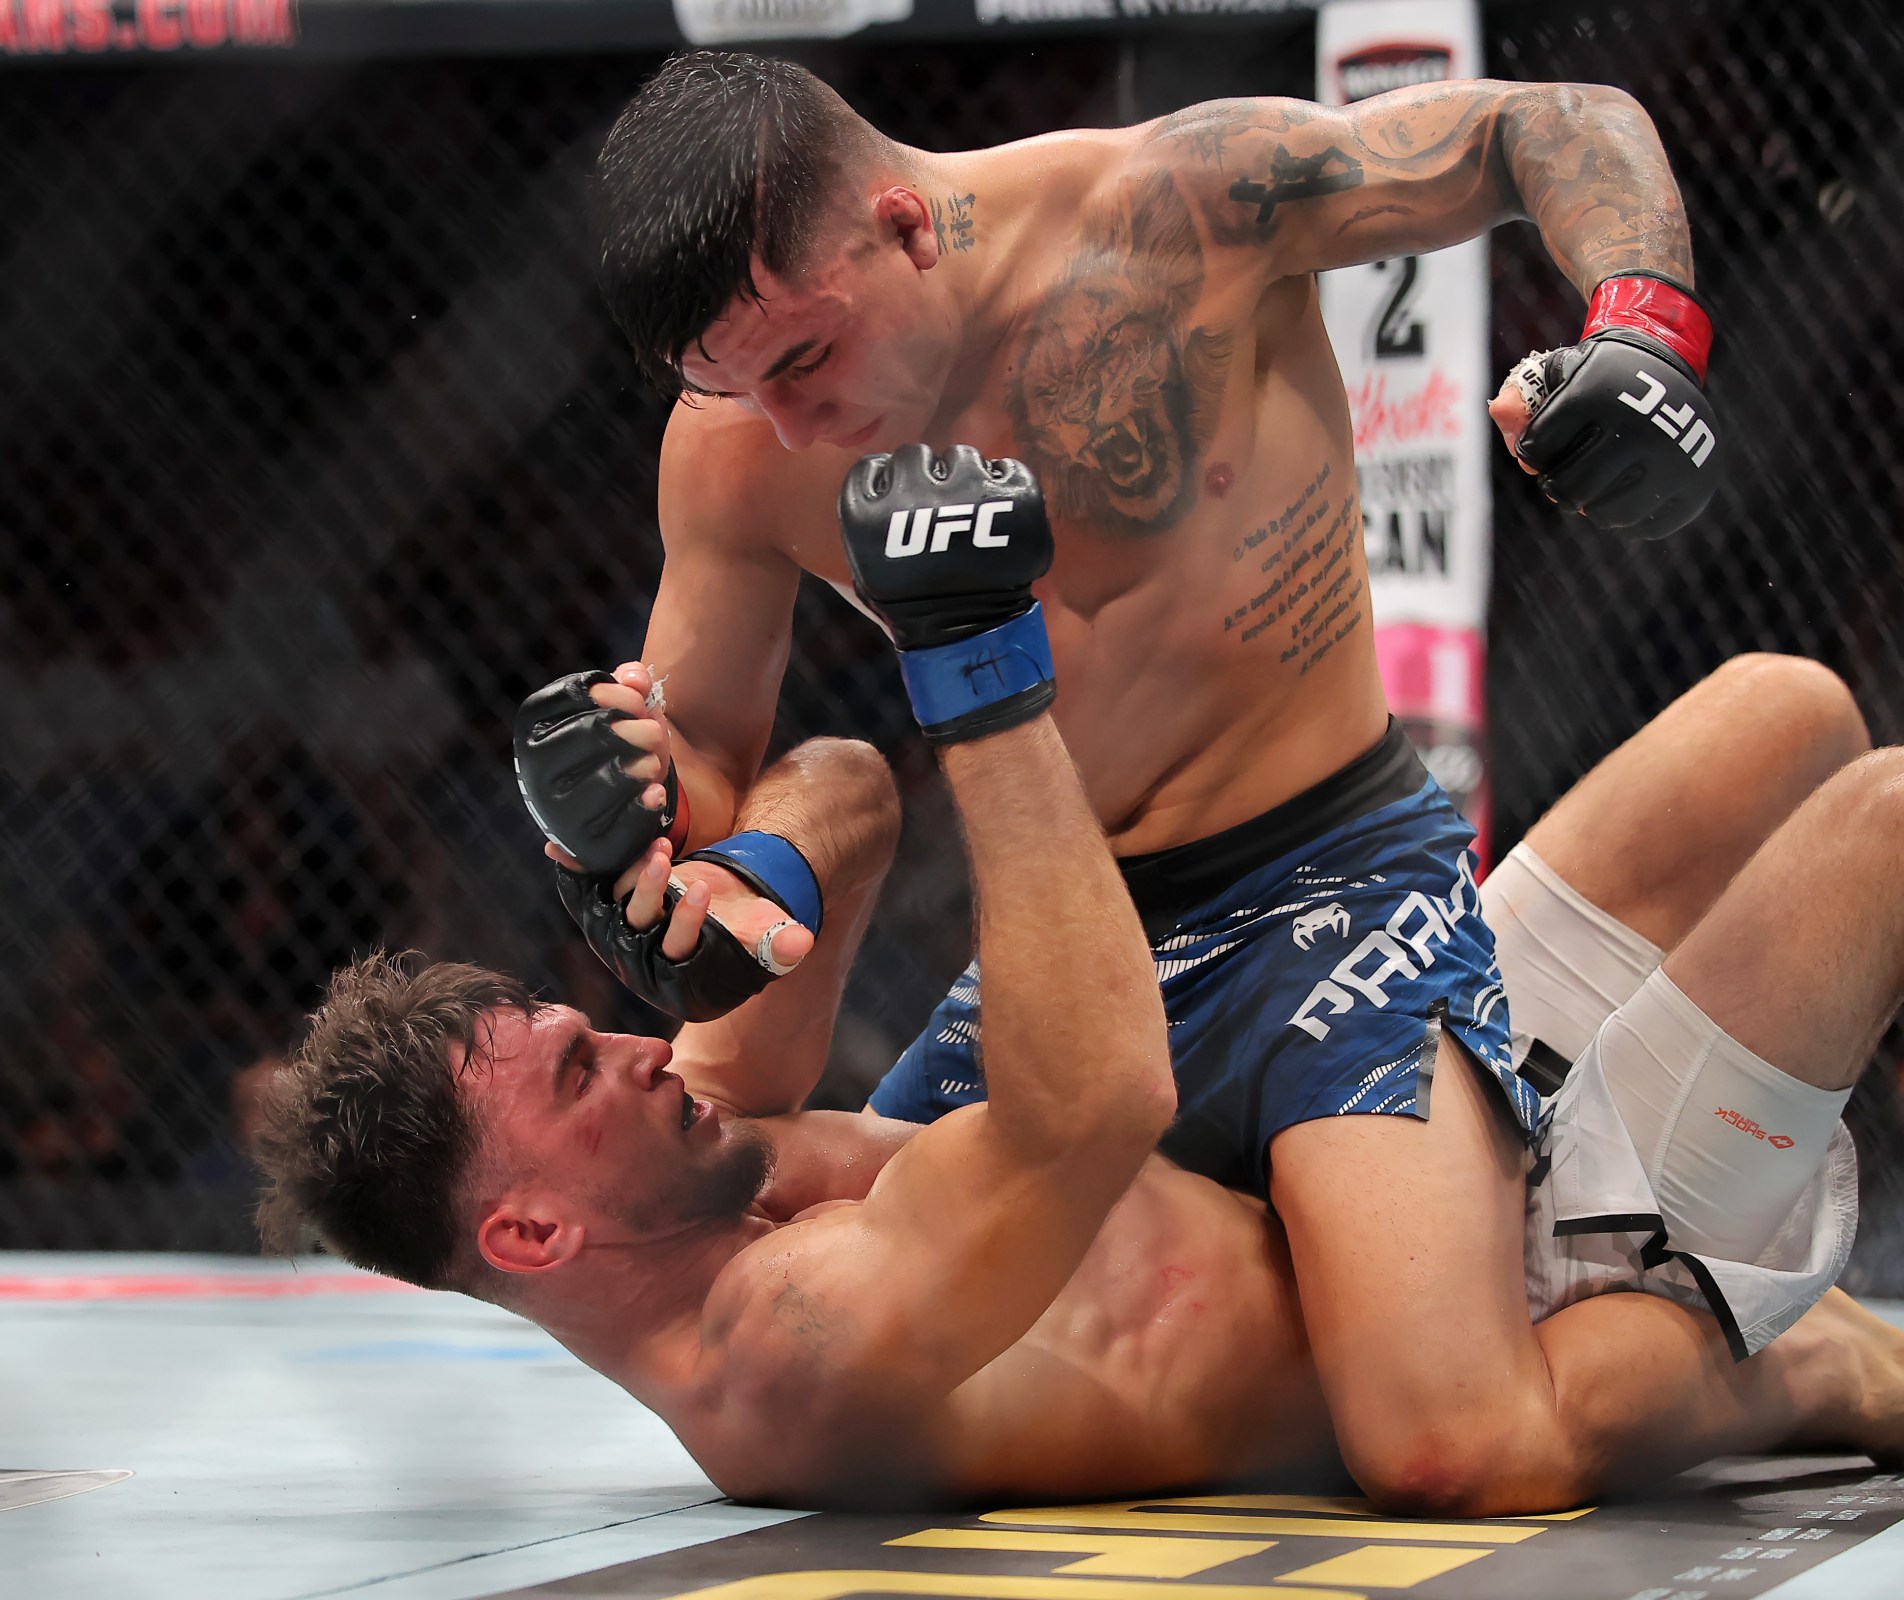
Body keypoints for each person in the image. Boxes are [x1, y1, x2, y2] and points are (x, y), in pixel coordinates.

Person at [515, 48, 1730, 1509]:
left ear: (903, 226)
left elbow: (1554, 123)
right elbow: (709, 757)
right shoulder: (730, 449)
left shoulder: (1178, 212)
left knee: (1446, 1446)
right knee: (771, 1258)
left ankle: (1779, 1360)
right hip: (1066, 950)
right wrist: (624, 815)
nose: (786, 428)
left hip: (1329, 887)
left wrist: (1645, 328)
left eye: (801, 362)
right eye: (728, 385)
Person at [265, 654, 1904, 1508]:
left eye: (598, 1025)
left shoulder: (704, 1165)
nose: (643, 1046)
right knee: (1896, 838)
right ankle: (1779, 1363)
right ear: (531, 1232)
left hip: (1376, 1152)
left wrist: (747, 882)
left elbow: (848, 784)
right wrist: (985, 687)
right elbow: (1099, 1094)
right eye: (586, 1068)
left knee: (1788, 713)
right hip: (1499, 1322)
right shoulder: (793, 1344)